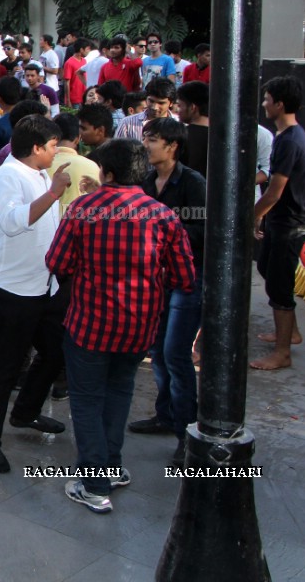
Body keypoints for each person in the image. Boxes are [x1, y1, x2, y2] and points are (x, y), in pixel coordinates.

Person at [47, 139, 194, 513]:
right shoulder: (163, 216)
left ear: (106, 172)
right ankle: (110, 466)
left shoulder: (82, 209)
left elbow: (57, 262)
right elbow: (184, 276)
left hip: (90, 324)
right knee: (119, 393)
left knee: (87, 400)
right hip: (138, 325)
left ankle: (95, 484)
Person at [0, 116, 72, 474]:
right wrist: (54, 193)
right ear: (35, 148)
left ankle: (26, 412)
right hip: (10, 288)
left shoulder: (41, 174)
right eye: (51, 146)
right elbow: (14, 222)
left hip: (43, 283)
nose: (56, 151)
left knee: (54, 351)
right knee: (8, 363)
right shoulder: (8, 175)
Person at [127, 118, 206, 468]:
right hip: (155, 279)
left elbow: (204, 231)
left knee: (176, 353)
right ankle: (166, 415)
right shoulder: (144, 181)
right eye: (145, 138)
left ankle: (189, 431)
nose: (147, 145)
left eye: (153, 139)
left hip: (186, 280)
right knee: (158, 350)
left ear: (172, 146)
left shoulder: (192, 183)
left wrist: (163, 223)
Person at [251, 76, 305, 371]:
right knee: (267, 268)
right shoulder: (287, 136)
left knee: (278, 282)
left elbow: (274, 192)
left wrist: (254, 215)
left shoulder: (290, 140)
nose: (264, 104)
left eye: (267, 99)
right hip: (284, 219)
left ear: (278, 103)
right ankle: (290, 331)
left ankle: (282, 351)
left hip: (290, 222)